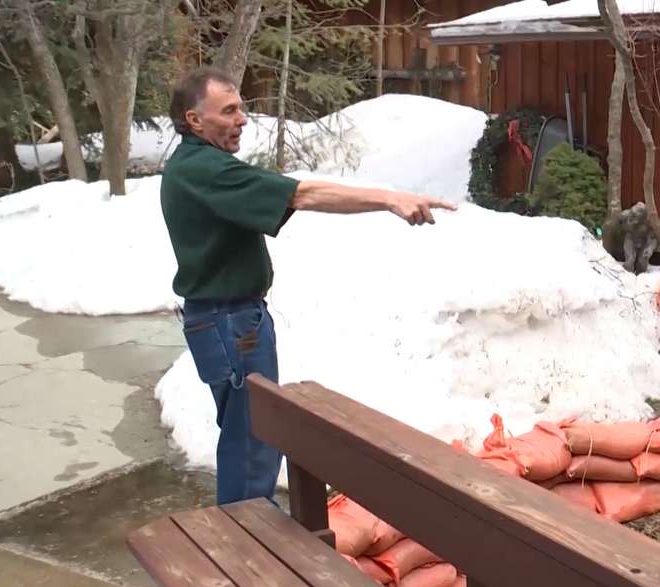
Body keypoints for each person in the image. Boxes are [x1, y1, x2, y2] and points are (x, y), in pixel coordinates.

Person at [159, 67, 455, 505]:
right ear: (195, 120)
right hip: (229, 323)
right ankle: (248, 543)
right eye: (229, 110)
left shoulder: (198, 165)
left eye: (242, 107)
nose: (242, 118)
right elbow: (302, 194)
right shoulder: (203, 169)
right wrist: (388, 199)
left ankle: (247, 533)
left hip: (228, 320)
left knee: (251, 436)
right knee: (253, 441)